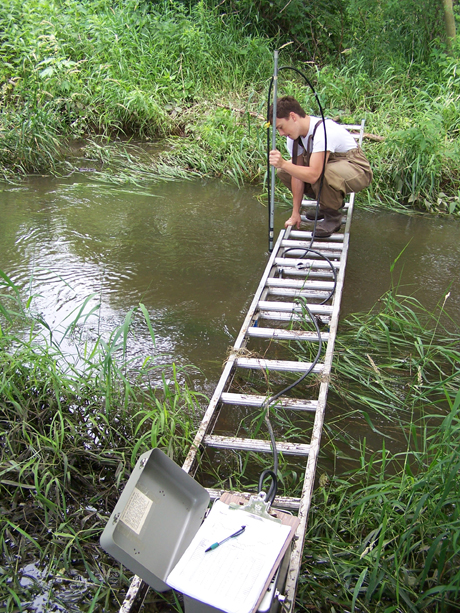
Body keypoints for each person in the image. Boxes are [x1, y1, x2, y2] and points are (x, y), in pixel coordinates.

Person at [269, 96, 372, 238]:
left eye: (281, 127)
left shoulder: (323, 131)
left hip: (356, 167)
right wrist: (295, 213)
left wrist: (284, 163)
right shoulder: (293, 137)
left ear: (293, 117)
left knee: (321, 172)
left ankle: (332, 217)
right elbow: (296, 175)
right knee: (285, 171)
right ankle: (326, 204)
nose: (281, 133)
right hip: (330, 166)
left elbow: (314, 175)